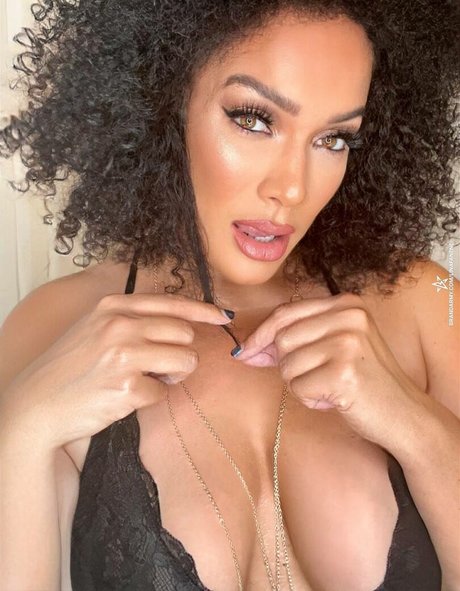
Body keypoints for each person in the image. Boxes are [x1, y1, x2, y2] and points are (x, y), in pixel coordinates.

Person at [0, 0, 459, 590]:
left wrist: (417, 428)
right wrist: (22, 429)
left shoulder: (429, 300)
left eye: (333, 139)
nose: (292, 188)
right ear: (162, 101)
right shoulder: (55, 326)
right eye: (254, 119)